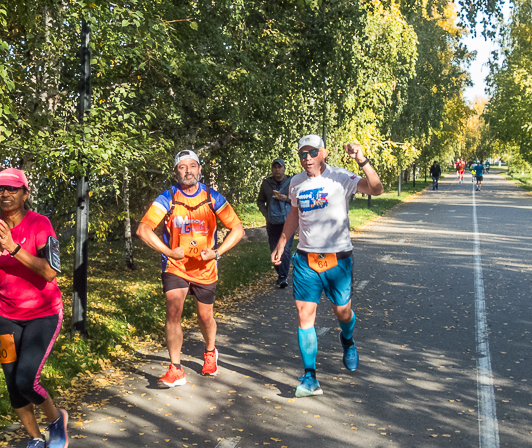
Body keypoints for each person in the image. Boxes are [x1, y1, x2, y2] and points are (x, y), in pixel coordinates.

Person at [0, 168, 69, 448]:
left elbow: (50, 271)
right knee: (12, 382)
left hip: (44, 313)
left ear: (25, 193)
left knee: (26, 379)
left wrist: (14, 248)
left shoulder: (40, 224)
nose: (5, 194)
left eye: (12, 189)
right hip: (6, 317)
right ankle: (35, 439)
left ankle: (55, 420)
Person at [271, 134, 383, 398]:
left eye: (311, 153)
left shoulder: (340, 177)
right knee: (304, 316)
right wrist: (282, 242)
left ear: (323, 153)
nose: (306, 158)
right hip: (305, 260)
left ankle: (348, 339)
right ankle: (310, 378)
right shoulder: (295, 183)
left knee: (342, 312)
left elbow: (376, 189)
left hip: (338, 259)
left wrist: (362, 159)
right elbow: (295, 214)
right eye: (302, 154)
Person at [137, 149, 246, 388]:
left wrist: (217, 253)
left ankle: (210, 351)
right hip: (176, 266)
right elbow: (143, 229)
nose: (188, 171)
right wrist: (168, 252)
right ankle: (175, 368)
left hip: (205, 268)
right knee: (173, 311)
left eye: (192, 166)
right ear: (176, 171)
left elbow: (237, 229)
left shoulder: (211, 197)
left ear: (199, 169)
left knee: (205, 317)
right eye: (182, 167)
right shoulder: (169, 197)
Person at [256, 158, 294, 288]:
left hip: (287, 222)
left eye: (279, 167)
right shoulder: (266, 184)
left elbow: (298, 201)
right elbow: (260, 201)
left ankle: (283, 278)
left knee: (286, 249)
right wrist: (266, 214)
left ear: (284, 169)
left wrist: (287, 199)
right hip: (272, 222)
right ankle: (280, 273)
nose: (277, 170)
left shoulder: (291, 183)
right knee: (274, 249)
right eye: (275, 167)